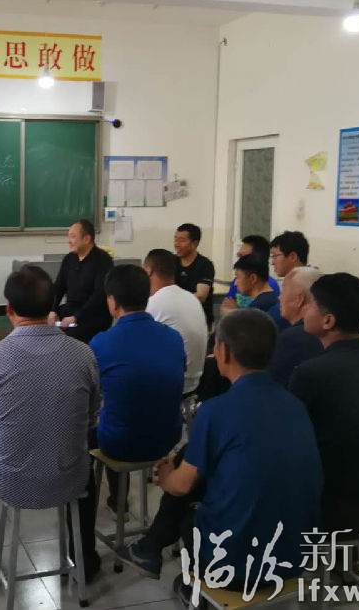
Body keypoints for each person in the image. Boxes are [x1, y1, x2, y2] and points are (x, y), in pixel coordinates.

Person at [115, 309, 322, 602]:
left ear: (223, 351)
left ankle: (189, 582)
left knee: (190, 510)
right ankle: (153, 550)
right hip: (295, 558)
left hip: (234, 568)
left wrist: (166, 477)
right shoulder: (294, 405)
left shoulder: (216, 411)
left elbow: (181, 486)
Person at [0, 266, 101, 589]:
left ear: (8, 309)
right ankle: (84, 560)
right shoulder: (83, 354)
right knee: (85, 462)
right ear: (52, 305)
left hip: (9, 481)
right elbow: (92, 418)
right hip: (70, 479)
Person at [290, 273, 359, 535]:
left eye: (310, 304)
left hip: (333, 512)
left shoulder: (311, 373)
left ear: (328, 321)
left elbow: (287, 441)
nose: (304, 309)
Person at [90, 264, 185, 514]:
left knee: (91, 427)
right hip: (168, 438)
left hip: (120, 445)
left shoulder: (102, 342)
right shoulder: (174, 337)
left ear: (112, 302)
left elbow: (91, 392)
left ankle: (111, 501)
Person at [143, 248, 207, 394]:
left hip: (172, 386)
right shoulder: (191, 298)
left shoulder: (154, 303)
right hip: (195, 382)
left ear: (149, 271)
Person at [48, 219, 114, 343]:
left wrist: (76, 317)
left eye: (73, 237)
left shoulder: (103, 260)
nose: (69, 241)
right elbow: (58, 287)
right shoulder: (69, 259)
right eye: (68, 236)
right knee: (43, 327)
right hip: (70, 310)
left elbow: (99, 295)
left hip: (93, 315)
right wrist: (52, 310)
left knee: (70, 338)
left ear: (86, 239)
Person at [267, 267, 324, 388]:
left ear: (299, 299)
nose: (279, 297)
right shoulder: (328, 333)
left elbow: (272, 385)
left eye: (283, 292)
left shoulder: (291, 339)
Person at [219, 235, 280, 316]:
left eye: (243, 256)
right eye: (239, 256)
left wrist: (236, 313)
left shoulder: (269, 288)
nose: (240, 260)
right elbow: (225, 307)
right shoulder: (238, 280)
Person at [172, 223, 215, 329]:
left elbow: (200, 296)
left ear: (195, 243)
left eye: (182, 240)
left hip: (198, 320)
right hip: (175, 318)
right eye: (175, 239)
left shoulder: (205, 265)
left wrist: (172, 300)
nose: (177, 244)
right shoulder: (170, 262)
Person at [267, 231, 310, 330]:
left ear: (292, 257)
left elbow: (270, 321)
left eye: (275, 256)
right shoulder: (302, 281)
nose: (272, 262)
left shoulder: (301, 287)